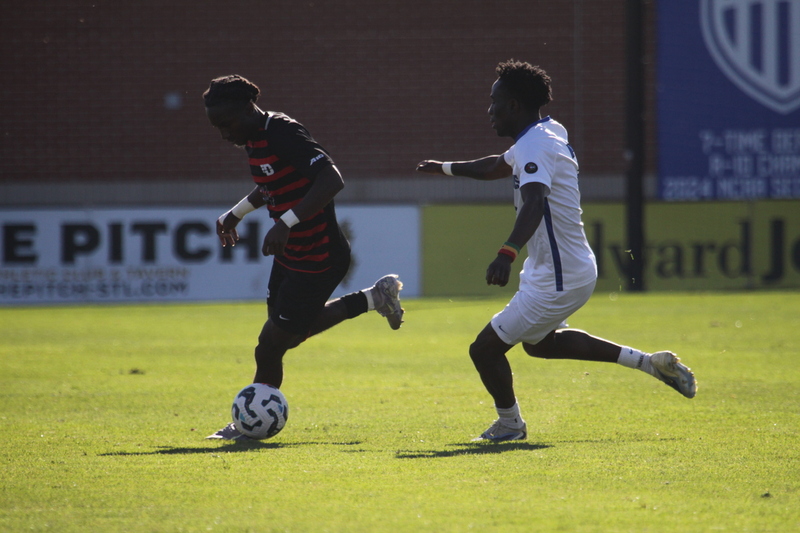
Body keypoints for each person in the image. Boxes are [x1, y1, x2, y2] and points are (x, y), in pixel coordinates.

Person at [416, 60, 697, 442]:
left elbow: (533, 201)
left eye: (494, 101)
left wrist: (506, 253)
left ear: (514, 105)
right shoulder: (547, 131)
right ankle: (650, 364)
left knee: (483, 350)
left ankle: (510, 425)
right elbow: (495, 167)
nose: (489, 110)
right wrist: (445, 168)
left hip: (559, 275)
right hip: (563, 268)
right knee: (541, 345)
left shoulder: (535, 144)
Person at [203, 74, 404, 440]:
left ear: (248, 108)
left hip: (319, 257)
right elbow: (271, 184)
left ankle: (248, 425)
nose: (224, 135)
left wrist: (286, 222)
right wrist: (236, 214)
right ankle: (375, 298)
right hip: (292, 257)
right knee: (285, 338)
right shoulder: (253, 139)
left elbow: (332, 179)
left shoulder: (282, 130)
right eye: (217, 127)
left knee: (270, 345)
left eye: (226, 124)